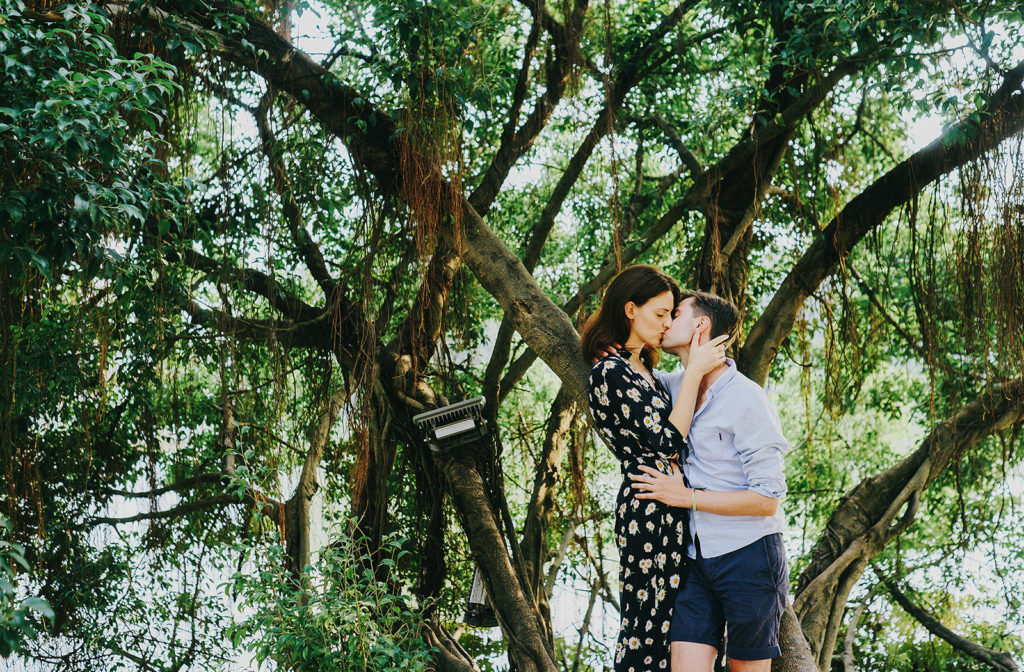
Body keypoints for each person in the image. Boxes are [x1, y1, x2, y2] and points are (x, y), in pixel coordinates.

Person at [629, 290, 789, 672]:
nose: (666, 322)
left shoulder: (747, 399)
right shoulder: (669, 387)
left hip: (750, 555)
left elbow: (768, 499)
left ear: (702, 325)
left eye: (676, 314)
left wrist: (687, 498)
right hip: (694, 560)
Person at [583, 266, 729, 672]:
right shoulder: (610, 372)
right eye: (660, 313)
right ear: (631, 309)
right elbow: (667, 441)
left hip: (672, 503)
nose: (666, 324)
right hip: (649, 506)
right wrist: (695, 370)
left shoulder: (639, 367)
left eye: (671, 316)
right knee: (648, 625)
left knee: (679, 626)